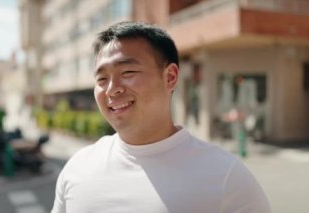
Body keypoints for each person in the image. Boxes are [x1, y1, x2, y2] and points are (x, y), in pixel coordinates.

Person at [51, 21, 270, 213]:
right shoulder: (78, 167)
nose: (111, 89)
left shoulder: (226, 178)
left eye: (127, 73)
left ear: (170, 77)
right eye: (102, 79)